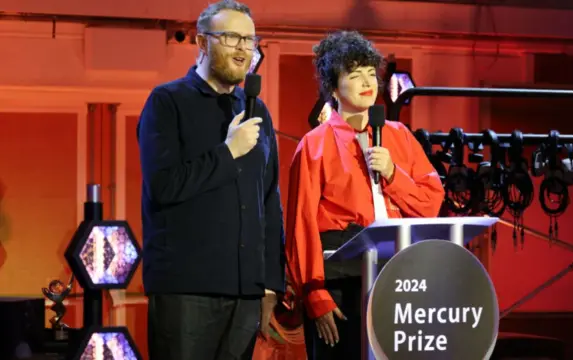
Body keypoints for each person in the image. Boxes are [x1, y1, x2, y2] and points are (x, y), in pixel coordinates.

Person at [136, 1, 285, 359]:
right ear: (202, 43)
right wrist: (228, 152)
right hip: (187, 290)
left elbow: (268, 201)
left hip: (246, 293)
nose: (244, 49)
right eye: (232, 37)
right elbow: (164, 185)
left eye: (250, 40)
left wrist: (269, 285)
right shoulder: (167, 102)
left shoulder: (256, 109)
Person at [284, 31, 445, 359]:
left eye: (371, 73)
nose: (367, 82)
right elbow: (301, 227)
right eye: (354, 75)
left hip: (396, 276)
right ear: (332, 88)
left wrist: (392, 174)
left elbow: (431, 201)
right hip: (340, 283)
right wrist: (315, 294)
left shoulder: (398, 136)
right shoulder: (314, 145)